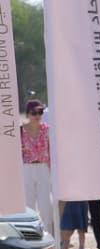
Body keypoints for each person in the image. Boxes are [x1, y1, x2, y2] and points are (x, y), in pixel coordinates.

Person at [20, 100, 55, 234]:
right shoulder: (20, 130)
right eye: (33, 112)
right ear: (27, 114)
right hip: (26, 169)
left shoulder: (47, 130)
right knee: (28, 205)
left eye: (40, 112)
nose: (37, 115)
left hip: (43, 168)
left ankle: (49, 236)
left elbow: (52, 151)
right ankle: (30, 235)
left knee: (46, 206)